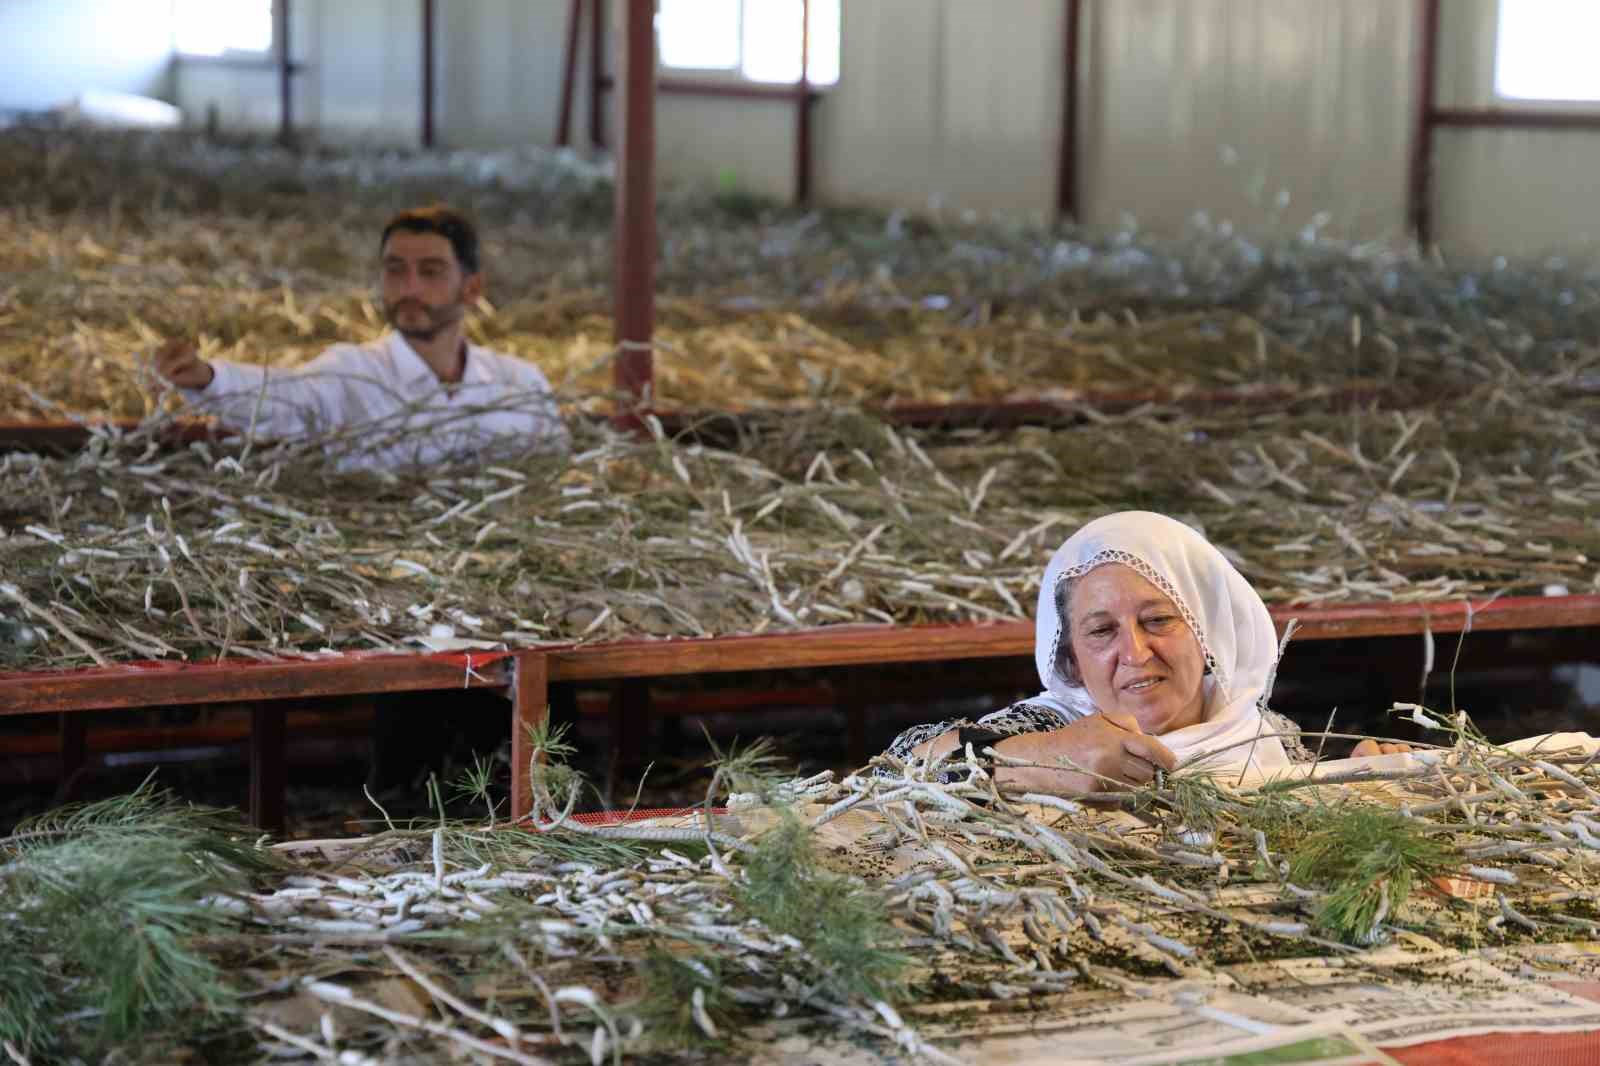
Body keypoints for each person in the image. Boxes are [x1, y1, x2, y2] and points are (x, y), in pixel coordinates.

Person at [884, 511, 1409, 796]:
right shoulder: (1048, 724)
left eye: (1158, 620)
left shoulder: (1261, 735)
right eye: (1101, 632)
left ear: (1205, 632)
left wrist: (1357, 783)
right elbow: (893, 769)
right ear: (1071, 658)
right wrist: (1046, 760)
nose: (1134, 653)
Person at [154, 203, 568, 469]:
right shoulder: (352, 375)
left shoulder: (520, 386)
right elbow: (282, 398)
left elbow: (552, 473)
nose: (408, 288)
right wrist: (209, 379)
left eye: (430, 272)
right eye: (394, 270)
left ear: (472, 289)